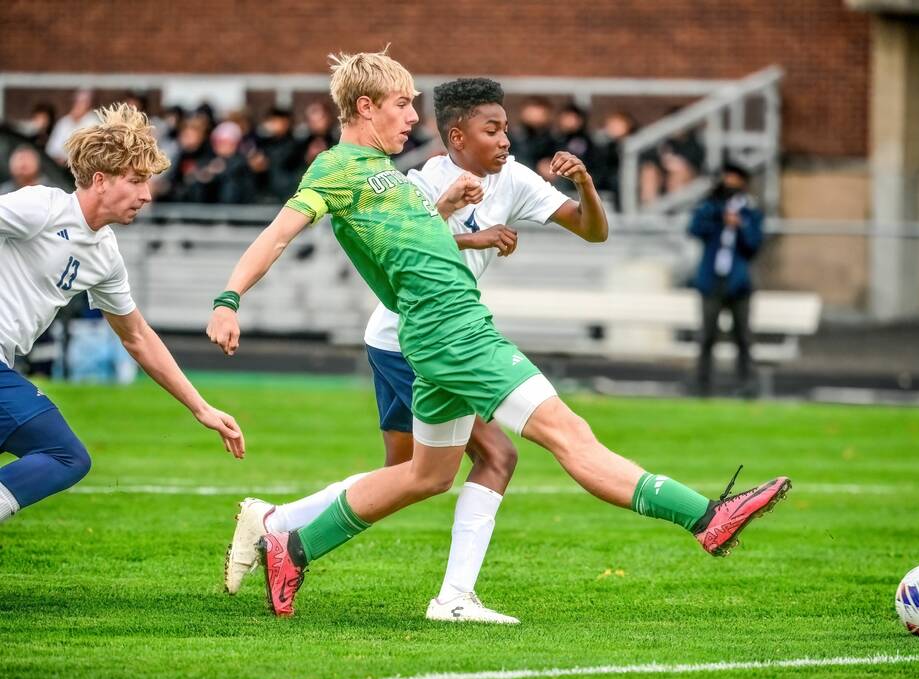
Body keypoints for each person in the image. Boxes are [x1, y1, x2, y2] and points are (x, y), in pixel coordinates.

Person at [206, 50, 790, 618]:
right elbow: (278, 234)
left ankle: (291, 544)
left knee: (426, 475)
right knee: (569, 434)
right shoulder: (338, 169)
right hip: (454, 333)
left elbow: (404, 245)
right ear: (365, 107)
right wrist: (230, 299)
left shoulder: (385, 175)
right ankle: (706, 518)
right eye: (403, 105)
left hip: (433, 336)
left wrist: (445, 213)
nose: (414, 117)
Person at [222, 77, 610, 624]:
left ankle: (275, 523)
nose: (505, 139)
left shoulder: (515, 178)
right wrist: (467, 228)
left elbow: (593, 232)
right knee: (492, 457)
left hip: (425, 336)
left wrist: (586, 187)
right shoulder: (420, 179)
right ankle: (452, 597)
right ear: (457, 135)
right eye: (491, 129)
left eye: (505, 128)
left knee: (408, 472)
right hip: (413, 338)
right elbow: (407, 248)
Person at [0, 104, 245, 526]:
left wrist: (200, 407)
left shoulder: (105, 253)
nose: (147, 195)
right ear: (100, 180)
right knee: (65, 456)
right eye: (136, 181)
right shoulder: (43, 206)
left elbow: (136, 336)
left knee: (65, 457)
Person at [687, 163, 765, 396]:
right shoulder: (711, 206)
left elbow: (754, 245)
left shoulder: (751, 211)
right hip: (712, 279)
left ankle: (747, 384)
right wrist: (719, 219)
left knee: (742, 336)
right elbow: (694, 229)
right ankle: (702, 384)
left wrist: (739, 226)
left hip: (738, 281)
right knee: (707, 335)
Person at [45, 90, 98, 166]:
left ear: (89, 104)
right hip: (59, 166)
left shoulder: (95, 123)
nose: (78, 104)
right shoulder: (63, 122)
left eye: (82, 102)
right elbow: (52, 148)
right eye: (76, 101)